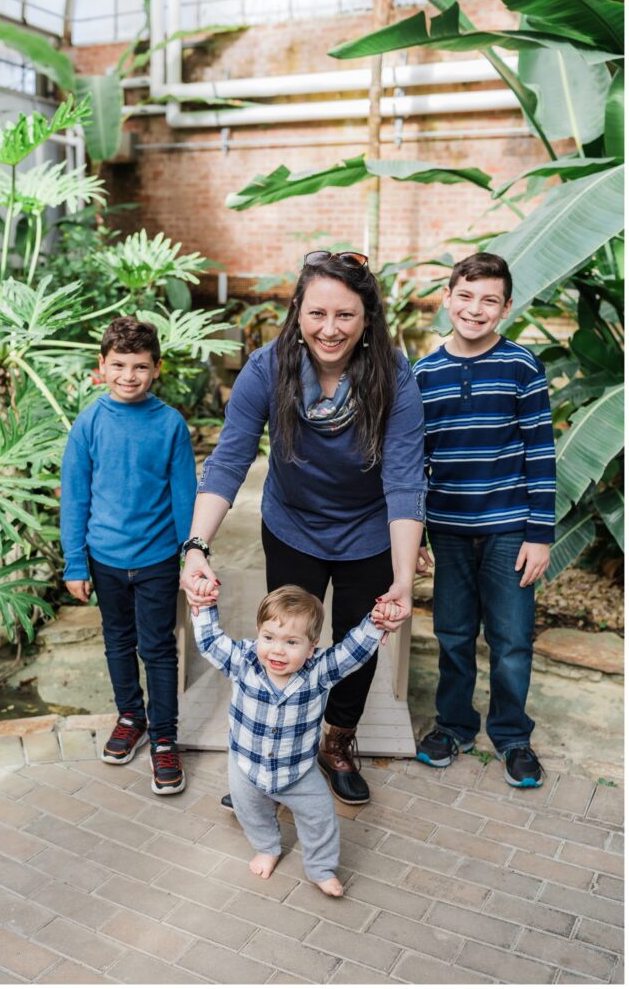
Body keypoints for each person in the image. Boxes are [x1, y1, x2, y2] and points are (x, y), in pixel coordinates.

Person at [180, 250, 426, 806]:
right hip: (291, 526)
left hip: (369, 532)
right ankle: (273, 759)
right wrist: (197, 546)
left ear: (368, 319)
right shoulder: (268, 369)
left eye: (345, 315)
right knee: (287, 642)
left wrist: (404, 578)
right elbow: (228, 459)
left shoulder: (394, 376)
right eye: (317, 314)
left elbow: (406, 480)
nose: (329, 329)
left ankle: (337, 742)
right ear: (297, 312)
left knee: (359, 642)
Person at [413, 252, 555, 788]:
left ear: (506, 308)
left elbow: (541, 453)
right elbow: (415, 465)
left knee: (512, 638)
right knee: (451, 634)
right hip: (448, 531)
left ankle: (513, 735)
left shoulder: (521, 366)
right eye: (465, 297)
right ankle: (454, 726)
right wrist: (416, 536)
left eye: (489, 300)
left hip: (508, 530)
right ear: (446, 298)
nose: (475, 309)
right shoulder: (423, 374)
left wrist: (540, 536)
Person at [60, 316, 196, 795]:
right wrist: (75, 562)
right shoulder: (89, 423)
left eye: (140, 366)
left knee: (157, 648)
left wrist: (190, 559)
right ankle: (130, 717)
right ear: (101, 366)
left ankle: (164, 738)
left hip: (158, 558)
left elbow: (184, 498)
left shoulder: (170, 425)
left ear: (156, 368)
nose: (128, 376)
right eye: (118, 365)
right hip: (105, 559)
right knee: (117, 642)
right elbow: (75, 496)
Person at [191, 584, 399, 895]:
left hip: (298, 772)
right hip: (246, 766)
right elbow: (209, 641)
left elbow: (352, 652)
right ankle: (267, 848)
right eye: (269, 638)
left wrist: (375, 623)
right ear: (258, 633)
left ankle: (321, 868)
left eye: (292, 642)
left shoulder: (319, 671)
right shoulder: (244, 661)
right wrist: (205, 605)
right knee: (252, 812)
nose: (277, 650)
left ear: (312, 647)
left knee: (320, 819)